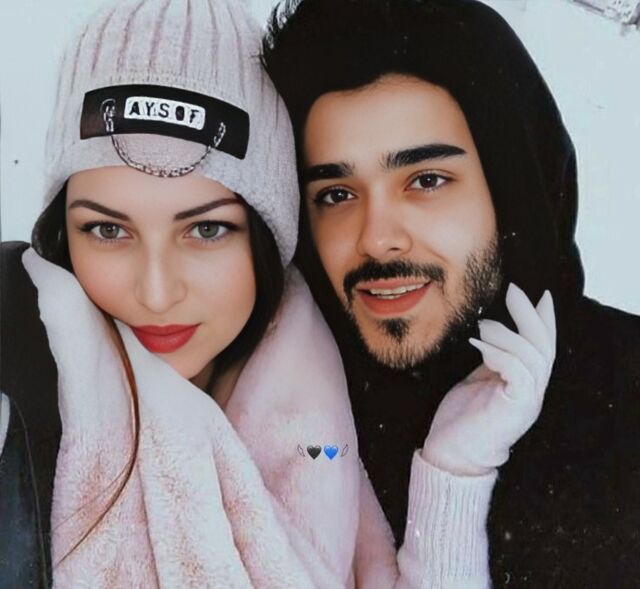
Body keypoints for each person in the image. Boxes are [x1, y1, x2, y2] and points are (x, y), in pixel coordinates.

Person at [0, 0, 555, 587]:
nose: (157, 293)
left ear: (269, 236)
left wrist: (454, 475)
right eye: (108, 230)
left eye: (207, 229)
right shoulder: (19, 388)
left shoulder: (319, 411)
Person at [262, 0, 640, 585]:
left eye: (426, 180)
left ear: (513, 190)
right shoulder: (270, 416)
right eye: (336, 194)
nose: (376, 239)